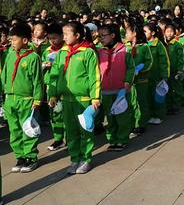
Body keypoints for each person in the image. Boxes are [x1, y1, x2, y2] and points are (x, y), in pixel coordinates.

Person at [48, 22, 101, 174]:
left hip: (83, 99)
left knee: (85, 131)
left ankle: (86, 159)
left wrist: (95, 97)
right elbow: (55, 75)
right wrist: (53, 94)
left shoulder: (88, 52)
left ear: (77, 35)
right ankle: (74, 159)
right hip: (66, 99)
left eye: (66, 34)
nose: (63, 37)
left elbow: (94, 76)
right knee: (70, 132)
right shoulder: (62, 53)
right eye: (63, 34)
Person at [0, 23, 43, 172]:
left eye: (14, 39)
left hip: (26, 100)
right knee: (14, 130)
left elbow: (37, 81)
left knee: (27, 129)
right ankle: (20, 156)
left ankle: (30, 157)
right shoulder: (10, 54)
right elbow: (4, 75)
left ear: (24, 40)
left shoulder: (33, 57)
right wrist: (3, 95)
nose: (11, 42)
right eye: (10, 39)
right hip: (10, 99)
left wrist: (37, 99)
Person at [98, 24, 135, 151]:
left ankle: (122, 139)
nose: (100, 38)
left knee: (122, 116)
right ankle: (112, 139)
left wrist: (127, 81)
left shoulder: (125, 50)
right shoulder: (100, 52)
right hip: (106, 90)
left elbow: (131, 68)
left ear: (113, 36)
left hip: (121, 90)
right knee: (110, 117)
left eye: (103, 36)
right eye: (99, 36)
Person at [125, 20, 153, 137]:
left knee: (141, 102)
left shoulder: (144, 47)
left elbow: (149, 61)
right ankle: (132, 124)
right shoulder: (127, 47)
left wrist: (140, 69)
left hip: (141, 80)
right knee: (131, 103)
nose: (126, 35)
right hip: (130, 81)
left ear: (134, 33)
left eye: (128, 32)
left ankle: (141, 124)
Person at [42, 23, 66, 151]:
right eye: (50, 38)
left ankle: (70, 138)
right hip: (50, 85)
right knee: (54, 113)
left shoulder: (66, 50)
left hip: (64, 85)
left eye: (55, 38)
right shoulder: (47, 51)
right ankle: (58, 139)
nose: (52, 41)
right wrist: (44, 65)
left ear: (62, 36)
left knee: (66, 114)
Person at [144, 23, 170, 124]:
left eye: (145, 31)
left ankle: (159, 115)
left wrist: (165, 75)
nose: (143, 33)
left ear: (153, 32)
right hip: (146, 76)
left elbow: (164, 61)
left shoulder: (159, 45)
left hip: (157, 77)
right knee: (148, 97)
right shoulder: (144, 45)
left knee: (158, 97)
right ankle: (150, 115)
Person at [164, 23, 184, 115]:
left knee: (176, 88)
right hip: (166, 71)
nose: (169, 33)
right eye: (167, 31)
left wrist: (180, 70)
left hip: (175, 71)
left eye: (171, 31)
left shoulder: (177, 45)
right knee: (168, 89)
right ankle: (169, 106)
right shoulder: (164, 44)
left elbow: (181, 58)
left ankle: (176, 105)